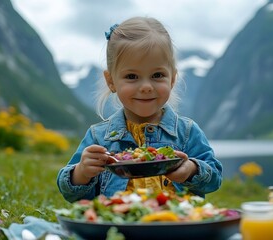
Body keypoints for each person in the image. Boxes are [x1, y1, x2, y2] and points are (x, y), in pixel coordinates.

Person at [57, 16, 222, 203]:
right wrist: (81, 172)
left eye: (157, 75)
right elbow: (70, 193)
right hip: (119, 227)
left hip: (177, 226)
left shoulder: (186, 132)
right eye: (132, 76)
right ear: (111, 81)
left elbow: (214, 179)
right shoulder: (98, 137)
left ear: (172, 79)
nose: (146, 87)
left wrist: (191, 170)